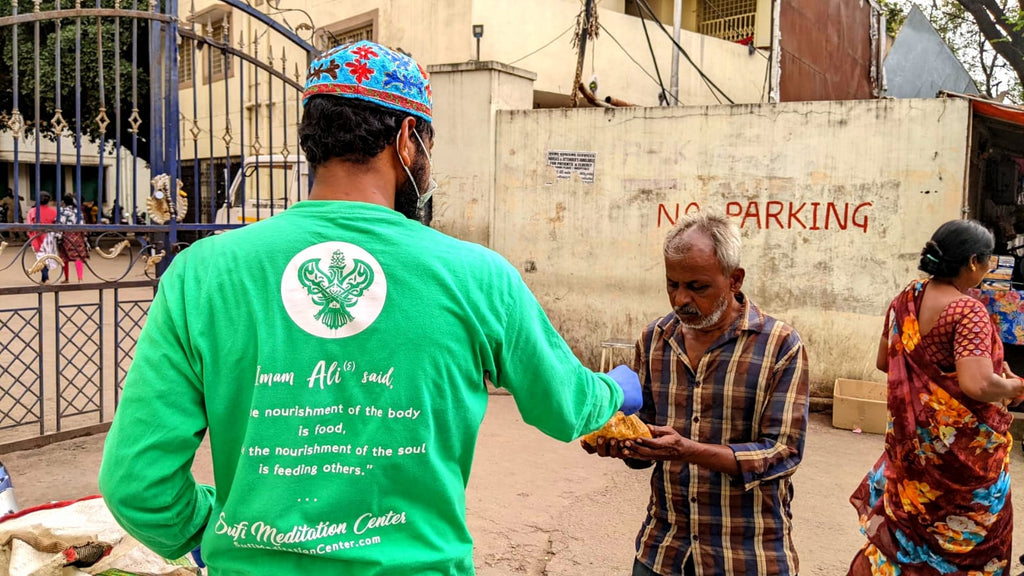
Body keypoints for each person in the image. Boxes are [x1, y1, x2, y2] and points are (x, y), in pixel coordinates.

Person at [98, 40, 642, 575]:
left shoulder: (202, 273)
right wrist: (618, 387)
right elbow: (567, 406)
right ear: (408, 141)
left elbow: (137, 484)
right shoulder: (478, 277)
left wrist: (210, 533)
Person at [584, 212, 810, 576]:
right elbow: (644, 434)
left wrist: (689, 451)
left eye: (697, 286)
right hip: (664, 550)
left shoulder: (780, 346)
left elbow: (784, 453)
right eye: (672, 284)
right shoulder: (655, 338)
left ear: (734, 279)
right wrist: (626, 447)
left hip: (746, 554)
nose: (680, 298)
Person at [847, 220, 1024, 576]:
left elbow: (885, 360)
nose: (988, 269)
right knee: (972, 540)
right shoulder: (966, 310)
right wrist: (1015, 387)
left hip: (914, 451)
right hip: (962, 460)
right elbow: (978, 385)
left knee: (909, 531)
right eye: (987, 261)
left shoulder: (906, 298)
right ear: (973, 262)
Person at [24, 192, 59, 283]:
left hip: (37, 236)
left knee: (41, 258)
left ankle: (46, 278)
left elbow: (29, 225)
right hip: (49, 237)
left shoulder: (33, 211)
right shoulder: (53, 211)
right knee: (47, 257)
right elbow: (56, 224)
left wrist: (30, 234)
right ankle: (44, 278)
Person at [57, 194, 89, 283]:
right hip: (78, 235)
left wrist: (58, 236)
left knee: (64, 257)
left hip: (66, 235)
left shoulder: (62, 211)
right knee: (78, 256)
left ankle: (67, 278)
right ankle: (80, 278)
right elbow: (82, 224)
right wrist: (85, 237)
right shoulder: (78, 211)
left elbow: (59, 223)